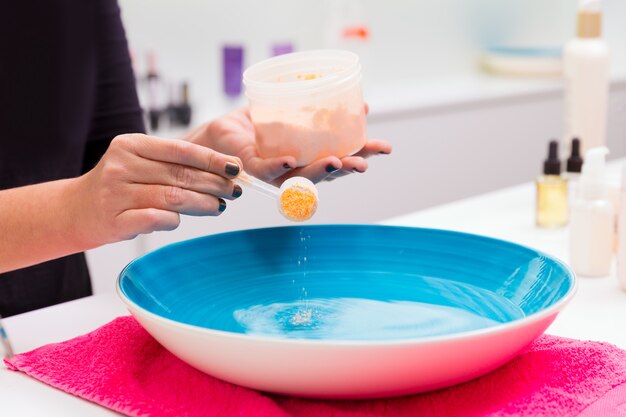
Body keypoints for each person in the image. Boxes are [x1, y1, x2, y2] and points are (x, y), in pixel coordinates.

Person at [0, 0, 390, 316]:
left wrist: (203, 150)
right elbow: (84, 193)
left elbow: (104, 160)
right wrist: (75, 209)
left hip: (49, 325)